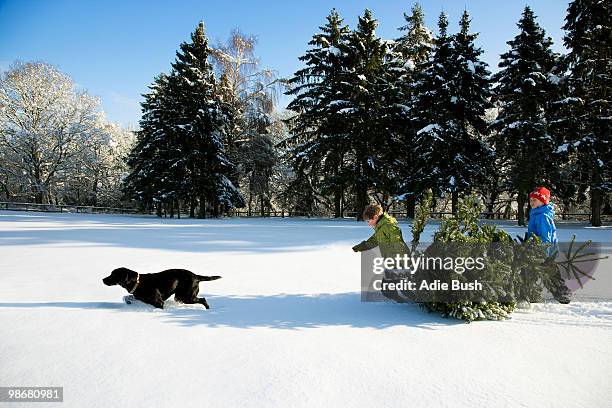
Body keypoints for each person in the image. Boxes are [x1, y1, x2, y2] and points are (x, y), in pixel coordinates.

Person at [352, 204, 409, 302]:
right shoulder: (380, 227)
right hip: (390, 261)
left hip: (397, 261)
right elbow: (373, 241)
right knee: (389, 287)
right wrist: (360, 247)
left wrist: (405, 261)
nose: (368, 224)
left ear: (375, 217)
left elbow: (398, 243)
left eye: (369, 221)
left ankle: (406, 301)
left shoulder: (388, 226)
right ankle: (400, 298)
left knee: (392, 287)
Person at [527, 187, 571, 303]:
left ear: (543, 201)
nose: (532, 202)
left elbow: (545, 238)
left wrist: (542, 252)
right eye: (531, 200)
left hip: (545, 251)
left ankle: (563, 294)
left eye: (534, 200)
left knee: (551, 274)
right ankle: (531, 293)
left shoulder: (542, 217)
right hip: (536, 249)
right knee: (532, 271)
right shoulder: (535, 214)